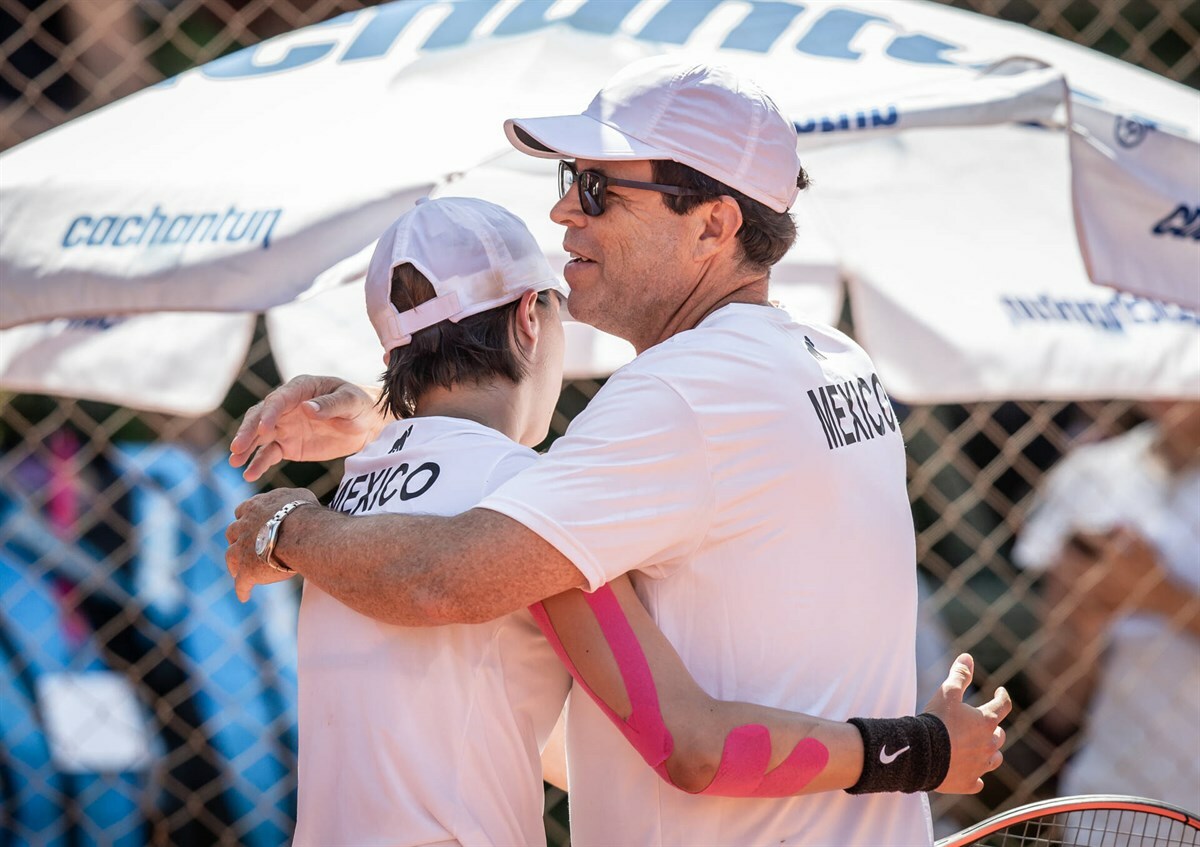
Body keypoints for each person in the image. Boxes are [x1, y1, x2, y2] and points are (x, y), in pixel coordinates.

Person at [227, 56, 1010, 845]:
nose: (565, 209)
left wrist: (287, 523)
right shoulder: (837, 362)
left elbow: (441, 578)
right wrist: (390, 428)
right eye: (572, 176)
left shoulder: (679, 393)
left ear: (714, 223)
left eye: (598, 187)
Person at [1014, 400, 1200, 811]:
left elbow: (1152, 593)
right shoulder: (1091, 473)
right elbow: (1055, 703)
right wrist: (1085, 621)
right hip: (1114, 796)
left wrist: (1159, 596)